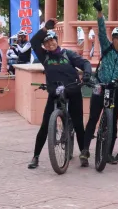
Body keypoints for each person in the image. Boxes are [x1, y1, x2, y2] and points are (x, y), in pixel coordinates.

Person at [27, 20, 92, 169]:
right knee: (45, 126)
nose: (50, 44)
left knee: (78, 124)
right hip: (55, 94)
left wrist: (87, 74)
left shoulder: (68, 54)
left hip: (73, 91)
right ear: (44, 46)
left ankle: (83, 154)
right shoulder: (45, 57)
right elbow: (34, 42)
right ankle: (35, 157)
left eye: (52, 40)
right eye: (46, 42)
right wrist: (45, 28)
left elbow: (85, 63)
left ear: (57, 41)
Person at [82, 0, 118, 167]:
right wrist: (100, 12)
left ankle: (108, 153)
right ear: (112, 39)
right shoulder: (107, 47)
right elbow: (101, 30)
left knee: (112, 123)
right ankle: (85, 150)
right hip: (100, 86)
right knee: (93, 119)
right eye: (117, 38)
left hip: (116, 89)